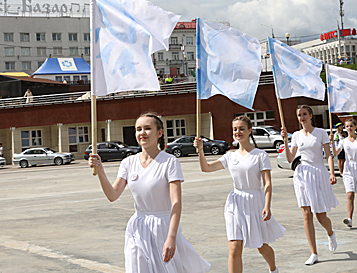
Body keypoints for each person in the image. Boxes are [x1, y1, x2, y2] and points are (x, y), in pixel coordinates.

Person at [88, 112, 210, 273]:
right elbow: (112, 195)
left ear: (159, 133)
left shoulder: (169, 162)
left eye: (147, 128)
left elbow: (176, 203)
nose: (142, 133)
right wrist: (101, 170)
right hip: (137, 227)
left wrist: (171, 238)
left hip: (163, 226)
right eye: (138, 129)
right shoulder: (128, 162)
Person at [194, 115, 284, 273]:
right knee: (234, 247)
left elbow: (267, 183)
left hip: (255, 202)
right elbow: (206, 168)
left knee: (261, 246)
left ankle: (273, 269)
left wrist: (267, 206)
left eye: (241, 129)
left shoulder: (260, 155)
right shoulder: (230, 156)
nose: (238, 132)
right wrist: (200, 150)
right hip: (235, 203)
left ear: (250, 130)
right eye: (235, 129)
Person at [281, 105, 338, 266]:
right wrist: (285, 140)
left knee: (320, 215)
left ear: (311, 116)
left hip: (318, 173)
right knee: (306, 213)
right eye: (299, 115)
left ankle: (330, 232)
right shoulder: (297, 135)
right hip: (302, 174)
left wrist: (332, 173)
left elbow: (329, 155)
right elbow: (290, 158)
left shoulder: (321, 133)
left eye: (305, 114)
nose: (302, 117)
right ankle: (313, 252)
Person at [329, 119, 357, 228]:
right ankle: (349, 219)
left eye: (351, 126)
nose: (349, 128)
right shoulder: (343, 141)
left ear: (355, 127)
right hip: (349, 167)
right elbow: (335, 153)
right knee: (350, 193)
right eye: (347, 126)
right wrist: (331, 142)